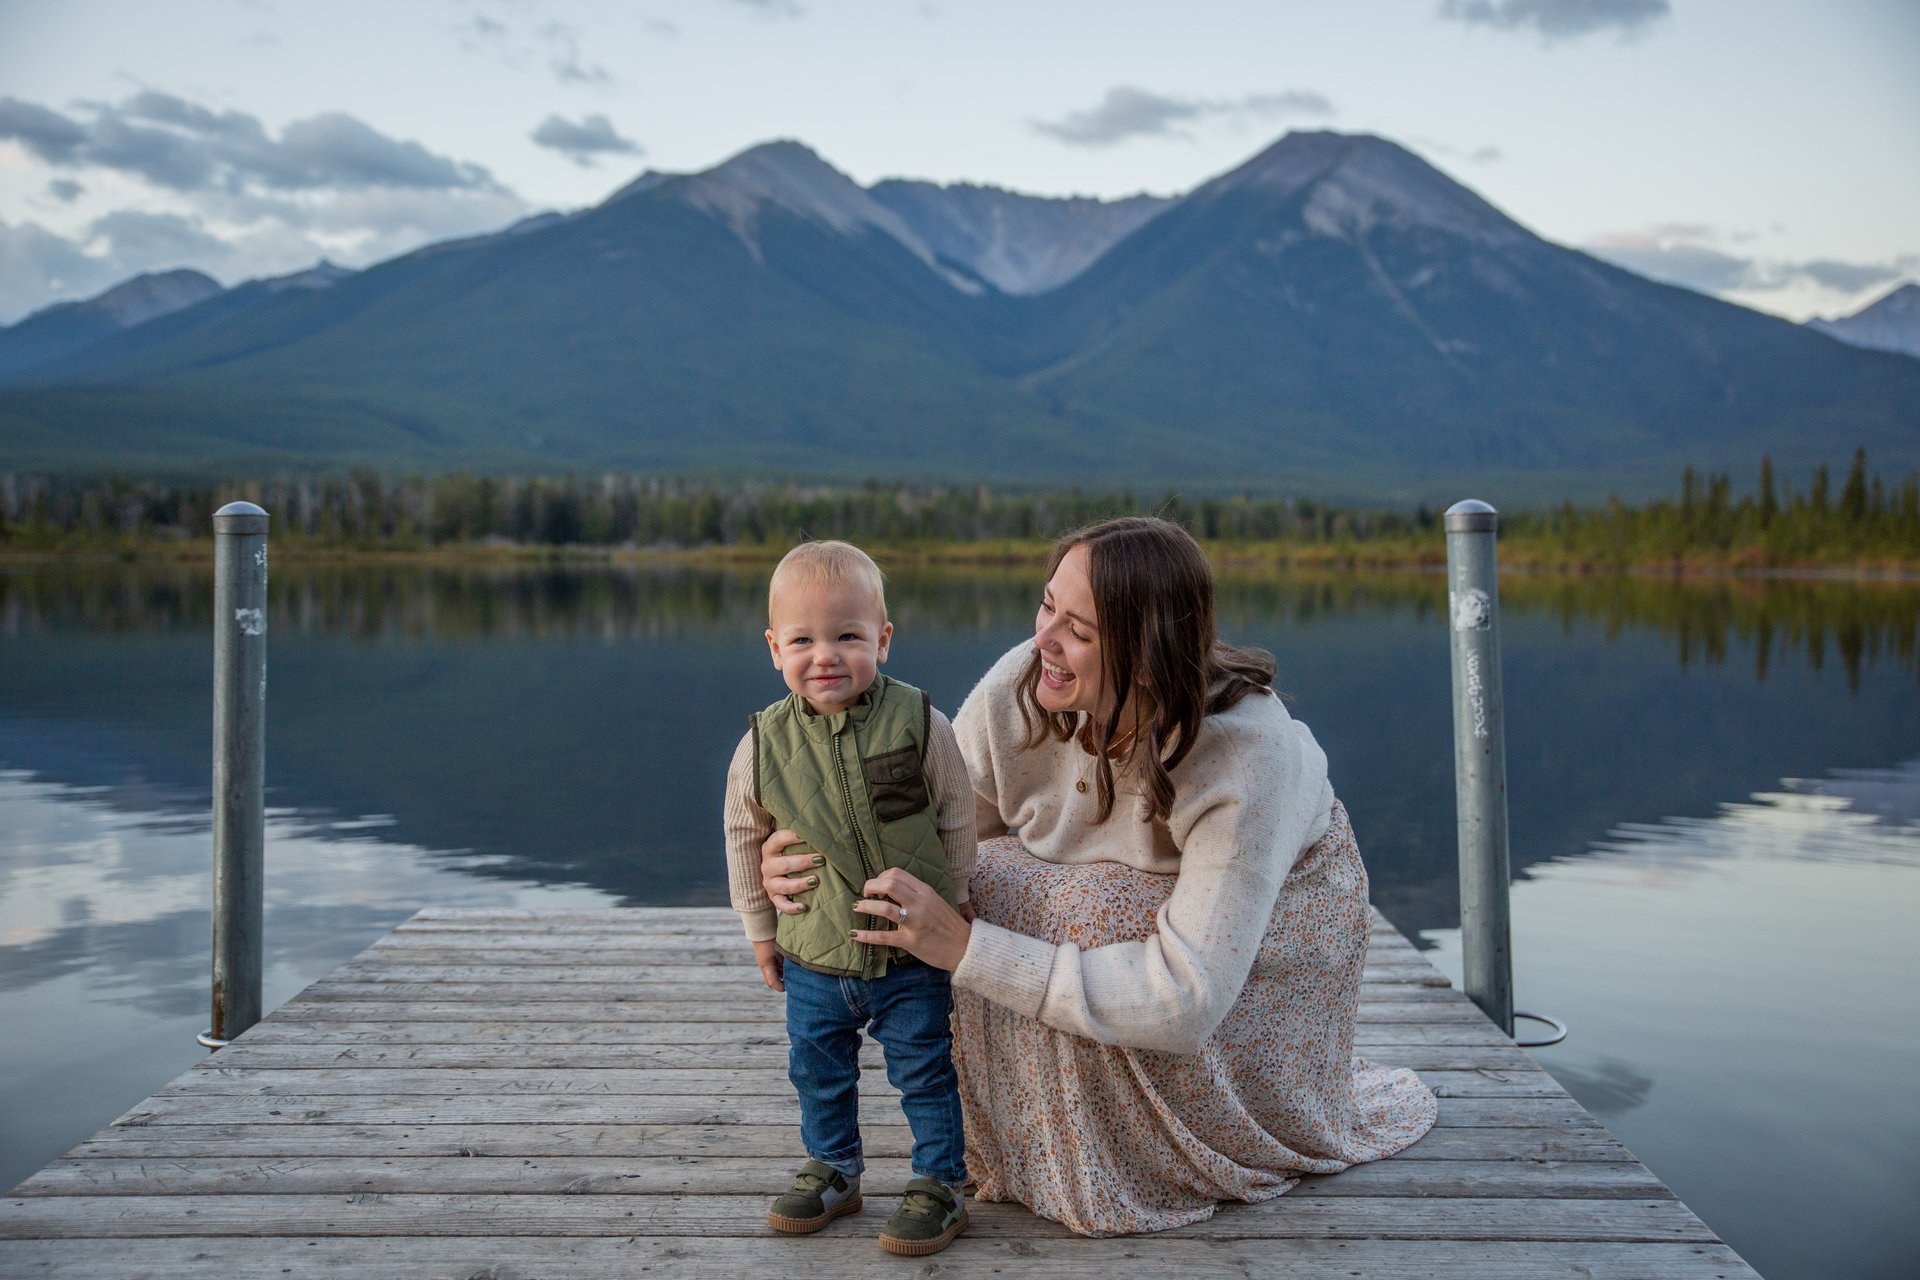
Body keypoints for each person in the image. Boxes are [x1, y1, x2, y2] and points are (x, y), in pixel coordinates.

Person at [762, 517, 1437, 1236]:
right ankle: (1022, 1141)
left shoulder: (1245, 756)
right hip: (1114, 914)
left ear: (1146, 652)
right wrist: (802, 858)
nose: (1043, 641)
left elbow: (1188, 999)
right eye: (1047, 605)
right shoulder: (1026, 685)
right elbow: (929, 830)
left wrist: (965, 948)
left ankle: (1130, 1157)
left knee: (1079, 910)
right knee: (979, 883)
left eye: (1078, 630)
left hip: (1255, 961)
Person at [722, 539, 977, 1256]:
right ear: (775, 648)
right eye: (803, 639)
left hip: (909, 951)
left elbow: (956, 813)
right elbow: (743, 835)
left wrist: (958, 896)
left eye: (847, 636)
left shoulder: (921, 722)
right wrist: (760, 929)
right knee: (818, 1069)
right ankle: (834, 1169)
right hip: (814, 952)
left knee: (925, 1070)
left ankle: (940, 1182)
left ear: (882, 641)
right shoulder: (762, 744)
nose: (825, 656)